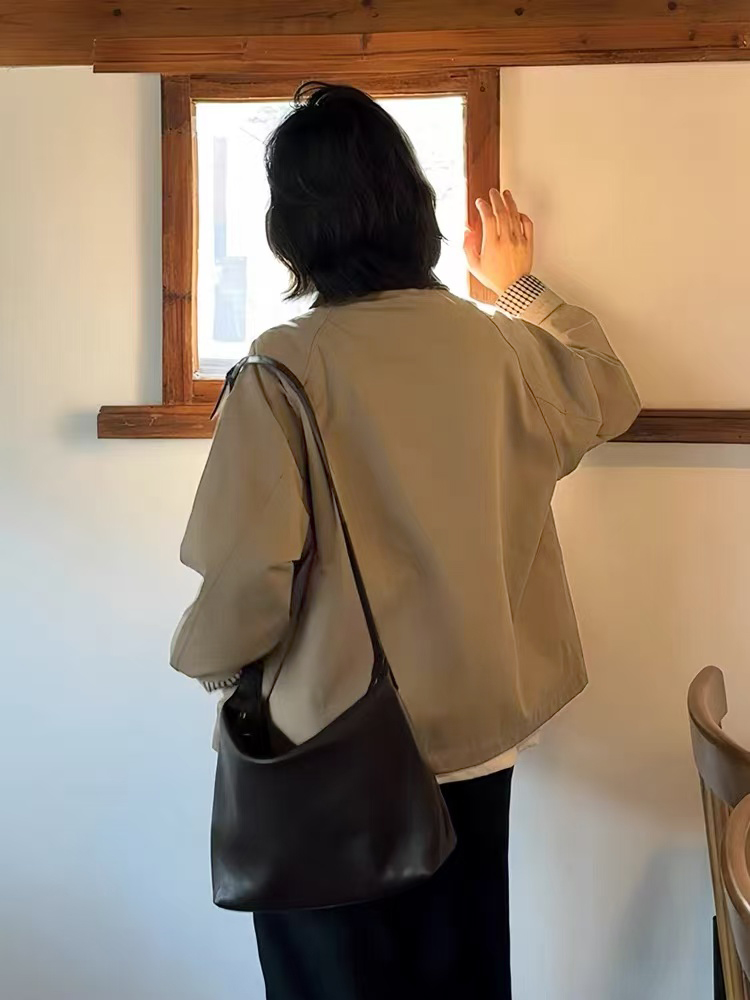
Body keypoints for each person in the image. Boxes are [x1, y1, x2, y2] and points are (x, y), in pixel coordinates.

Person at [170, 83, 640, 999]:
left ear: (290, 230)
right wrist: (519, 287)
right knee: (464, 978)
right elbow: (610, 390)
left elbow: (245, 573)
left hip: (331, 754)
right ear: (414, 206)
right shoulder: (501, 346)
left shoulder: (280, 368)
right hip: (479, 740)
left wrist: (214, 671)